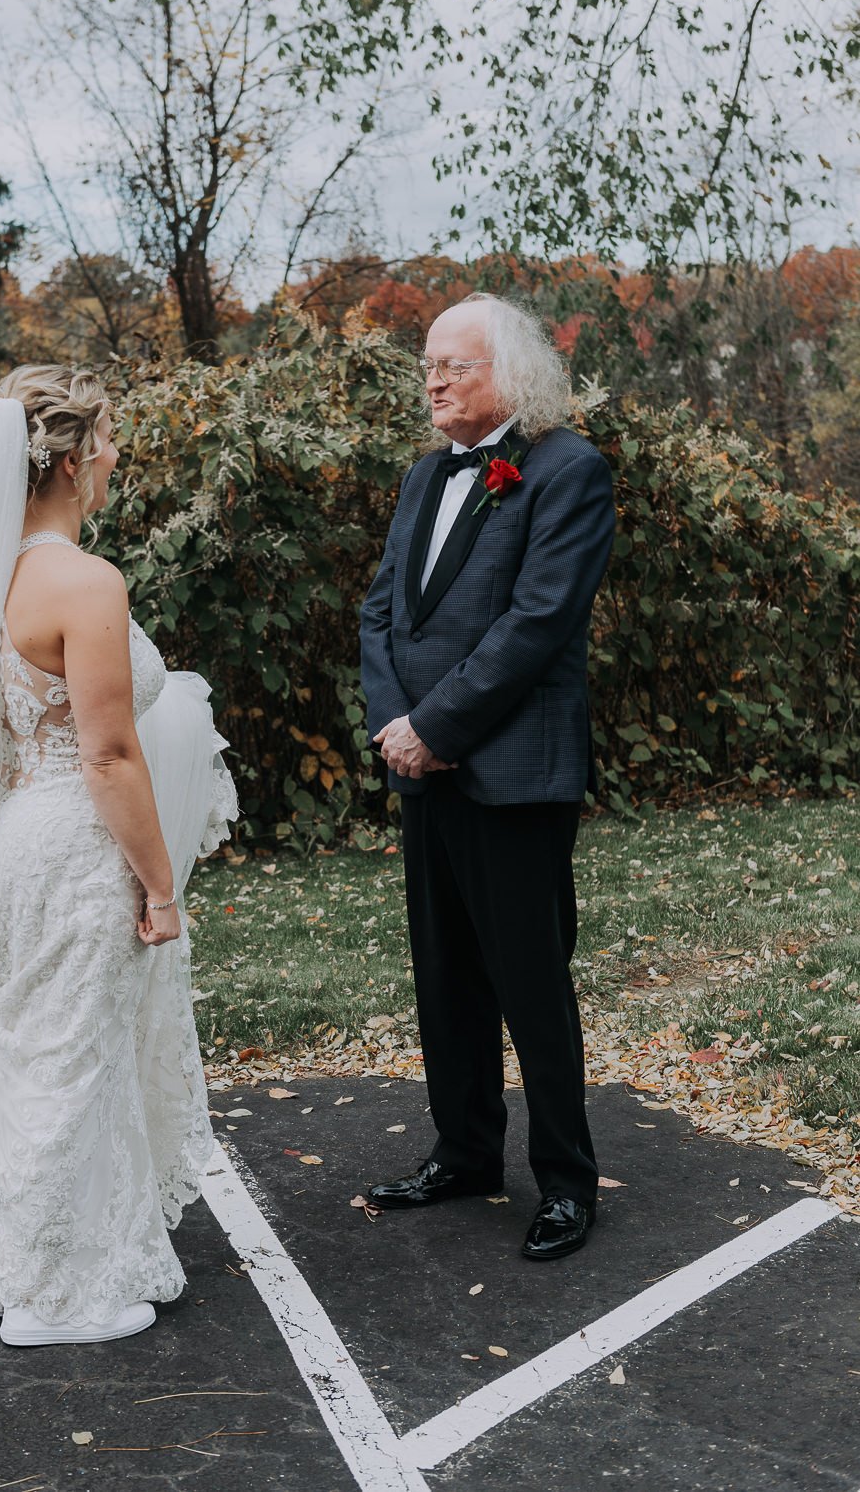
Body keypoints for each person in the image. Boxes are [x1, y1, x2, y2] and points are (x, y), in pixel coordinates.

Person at [0, 366, 236, 1344]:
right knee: (72, 1059)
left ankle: (46, 1264)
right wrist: (161, 885)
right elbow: (106, 753)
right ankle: (60, 1298)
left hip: (19, 842)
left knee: (42, 1048)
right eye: (103, 441)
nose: (113, 458)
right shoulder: (85, 583)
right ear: (62, 459)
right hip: (80, 847)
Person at [359, 293, 614, 1261]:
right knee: (448, 977)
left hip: (514, 771)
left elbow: (539, 622)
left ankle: (565, 1180)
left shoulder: (568, 470)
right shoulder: (425, 477)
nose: (431, 380)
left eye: (452, 365)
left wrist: (438, 724)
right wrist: (395, 723)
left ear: (512, 373)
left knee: (531, 983)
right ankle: (464, 1152)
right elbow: (381, 611)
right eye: (426, 364)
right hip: (422, 767)